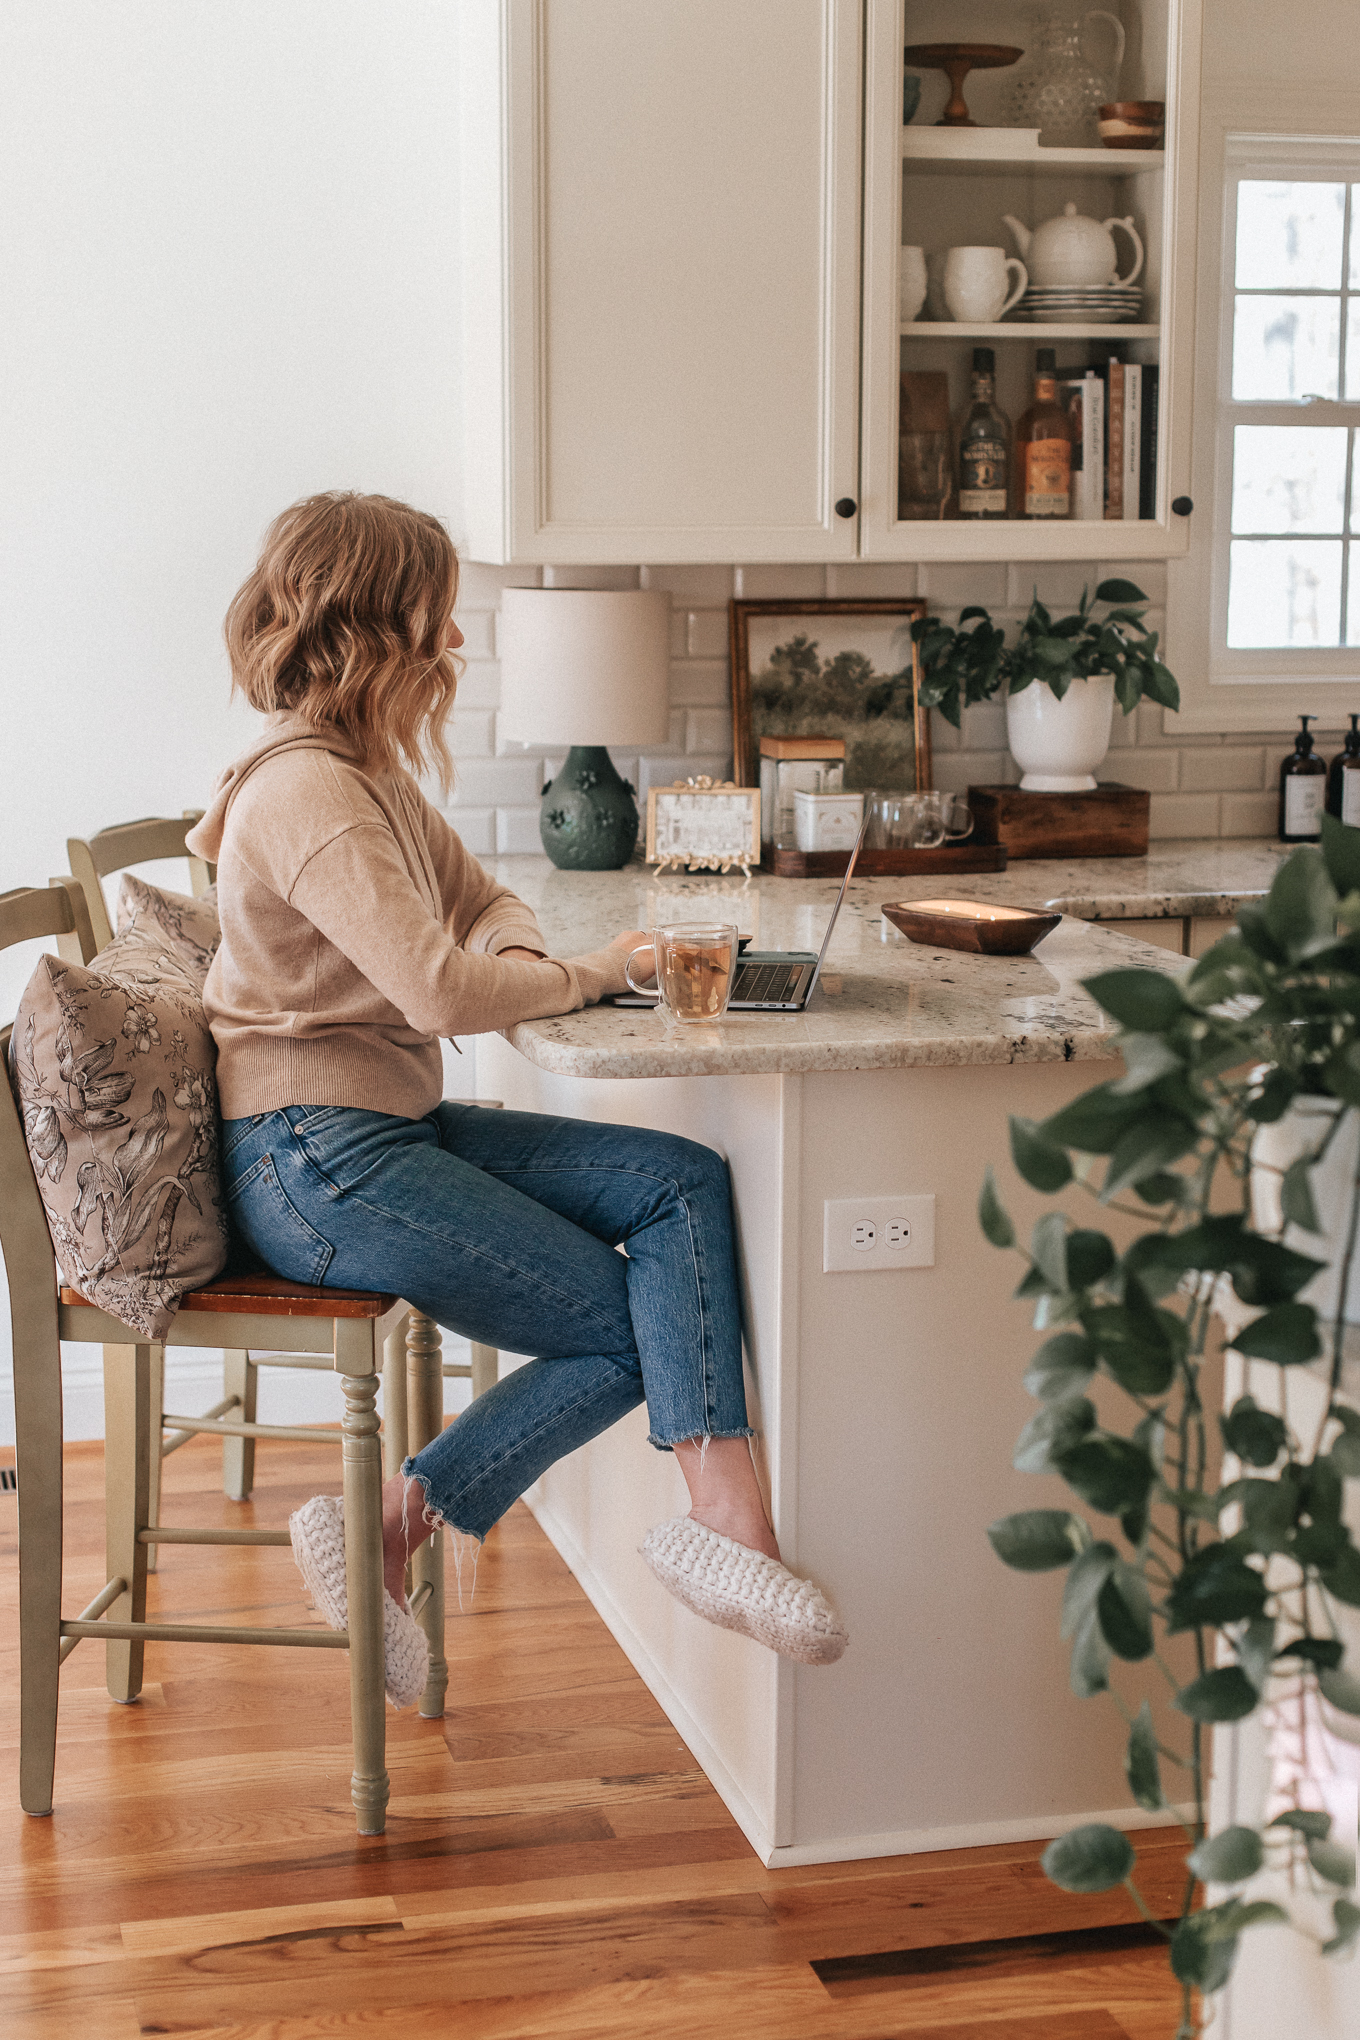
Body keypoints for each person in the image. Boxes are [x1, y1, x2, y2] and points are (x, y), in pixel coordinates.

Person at [189, 491, 847, 1706]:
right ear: (377, 623)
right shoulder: (310, 794)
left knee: (677, 1187)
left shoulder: (363, 772)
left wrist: (530, 962)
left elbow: (486, 902)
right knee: (629, 1322)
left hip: (370, 1130)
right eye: (437, 619)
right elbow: (442, 988)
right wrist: (603, 969)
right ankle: (391, 1520)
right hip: (314, 1157)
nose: (453, 645)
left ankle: (721, 1521)